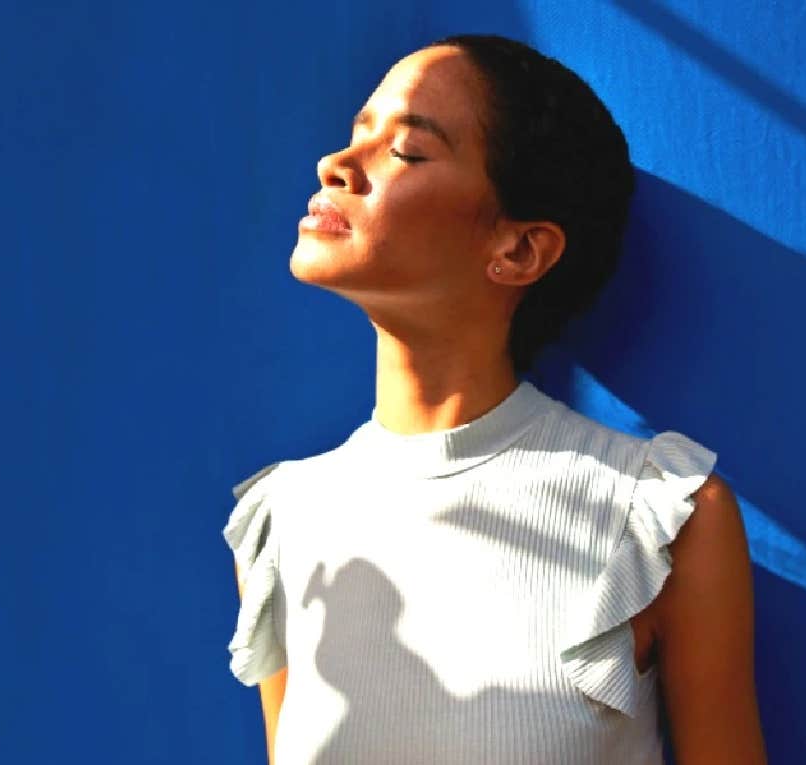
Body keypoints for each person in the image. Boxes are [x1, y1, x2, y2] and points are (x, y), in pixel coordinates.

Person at [225, 34, 766, 764]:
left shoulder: (660, 519)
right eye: (358, 134)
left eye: (408, 151)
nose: (337, 166)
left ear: (519, 251)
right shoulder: (283, 520)